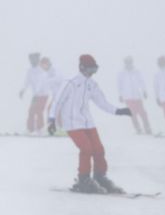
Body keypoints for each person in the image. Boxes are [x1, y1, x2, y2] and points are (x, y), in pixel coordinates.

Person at [48, 54, 132, 193]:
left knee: (99, 149)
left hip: (88, 122)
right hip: (73, 123)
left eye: (94, 70)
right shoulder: (70, 82)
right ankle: (84, 180)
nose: (92, 73)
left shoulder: (92, 84)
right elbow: (58, 101)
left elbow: (102, 102)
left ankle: (100, 177)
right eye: (90, 70)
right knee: (87, 149)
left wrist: (118, 111)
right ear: (82, 67)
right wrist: (52, 120)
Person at [117, 56, 152, 135]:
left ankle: (147, 127)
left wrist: (144, 91)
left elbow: (141, 82)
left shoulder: (137, 72)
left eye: (130, 62)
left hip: (137, 96)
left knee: (142, 112)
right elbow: (119, 85)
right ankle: (138, 128)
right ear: (125, 63)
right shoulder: (121, 73)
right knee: (132, 113)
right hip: (128, 97)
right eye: (127, 62)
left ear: (132, 63)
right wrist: (120, 95)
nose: (128, 64)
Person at [20, 52, 48, 134]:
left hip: (43, 95)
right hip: (36, 95)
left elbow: (40, 83)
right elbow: (27, 82)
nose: (32, 61)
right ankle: (30, 129)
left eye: (34, 59)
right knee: (31, 111)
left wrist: (37, 93)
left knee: (39, 111)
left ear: (38, 60)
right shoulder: (30, 71)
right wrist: (23, 90)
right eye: (31, 60)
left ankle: (40, 129)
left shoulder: (42, 70)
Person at [39, 57, 64, 133]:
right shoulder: (47, 73)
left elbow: (60, 79)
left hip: (61, 95)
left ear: (47, 64)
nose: (42, 67)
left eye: (43, 65)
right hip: (56, 96)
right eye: (41, 66)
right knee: (51, 110)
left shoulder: (54, 70)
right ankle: (53, 127)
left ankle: (60, 128)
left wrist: (49, 81)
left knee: (55, 110)